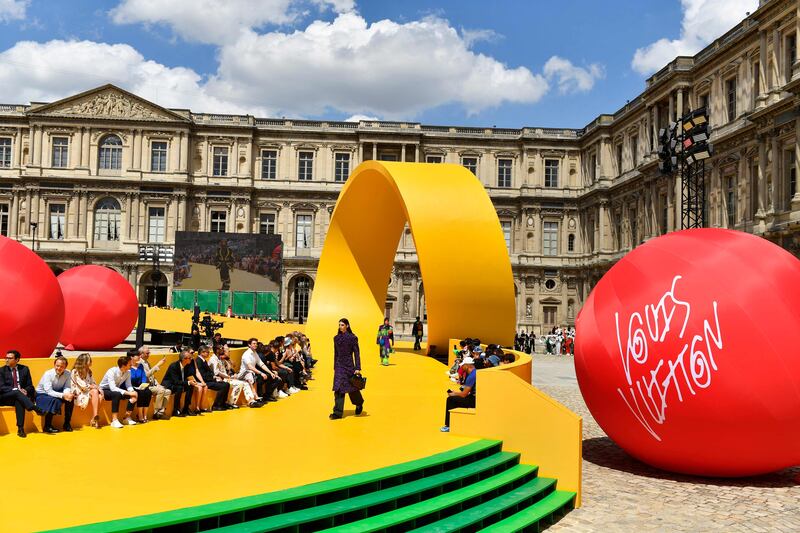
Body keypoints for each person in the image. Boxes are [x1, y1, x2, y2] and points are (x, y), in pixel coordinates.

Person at [0, 350, 44, 438]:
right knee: (17, 393)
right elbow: (1, 387)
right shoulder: (1, 370)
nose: (7, 360)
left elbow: (30, 386)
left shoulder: (24, 369)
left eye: (10, 358)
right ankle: (35, 408)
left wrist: (25, 390)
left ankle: (20, 428)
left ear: (17, 360)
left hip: (19, 397)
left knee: (19, 401)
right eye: (6, 358)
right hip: (5, 397)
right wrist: (17, 390)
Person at [331, 318, 364, 419]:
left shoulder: (352, 338)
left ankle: (359, 403)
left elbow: (357, 354)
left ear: (347, 326)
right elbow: (336, 353)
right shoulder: (336, 338)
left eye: (342, 325)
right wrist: (335, 366)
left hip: (349, 366)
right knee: (338, 388)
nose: (340, 327)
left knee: (352, 388)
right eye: (339, 325)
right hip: (339, 366)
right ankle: (337, 412)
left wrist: (357, 367)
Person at [35, 356, 75, 433]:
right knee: (54, 400)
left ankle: (67, 423)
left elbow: (67, 386)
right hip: (42, 393)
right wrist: (63, 395)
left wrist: (67, 394)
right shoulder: (48, 374)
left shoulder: (68, 373)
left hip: (57, 391)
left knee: (70, 398)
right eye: (57, 366)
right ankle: (47, 426)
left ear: (65, 367)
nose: (59, 368)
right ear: (54, 365)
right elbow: (49, 391)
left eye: (62, 366)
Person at [99, 355, 139, 428]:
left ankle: (126, 417)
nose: (131, 365)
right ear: (124, 365)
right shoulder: (111, 371)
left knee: (134, 394)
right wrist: (129, 393)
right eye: (130, 364)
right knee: (116, 394)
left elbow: (129, 385)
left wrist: (132, 392)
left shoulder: (128, 372)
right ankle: (114, 420)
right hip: (104, 390)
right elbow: (113, 388)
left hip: (116, 390)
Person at [441, 356, 476, 432]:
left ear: (467, 365)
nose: (461, 367)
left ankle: (449, 425)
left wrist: (453, 394)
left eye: (463, 366)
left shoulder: (471, 376)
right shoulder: (475, 372)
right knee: (456, 399)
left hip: (475, 400)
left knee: (451, 399)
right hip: (476, 397)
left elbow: (464, 394)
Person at [238, 338, 279, 402]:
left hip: (253, 373)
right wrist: (261, 373)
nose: (255, 345)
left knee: (274, 378)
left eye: (256, 344)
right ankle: (259, 397)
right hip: (245, 374)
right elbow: (250, 367)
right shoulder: (246, 354)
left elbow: (261, 364)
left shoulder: (255, 353)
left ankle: (267, 396)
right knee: (259, 378)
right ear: (249, 345)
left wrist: (270, 373)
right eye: (254, 343)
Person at [71, 353, 103, 428]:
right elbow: (81, 385)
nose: (91, 361)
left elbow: (93, 382)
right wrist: (94, 387)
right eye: (89, 360)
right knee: (95, 391)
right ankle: (95, 418)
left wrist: (98, 388)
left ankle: (94, 418)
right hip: (79, 391)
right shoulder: (75, 371)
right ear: (84, 361)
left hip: (88, 390)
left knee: (100, 395)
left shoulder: (89, 371)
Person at [139, 346, 171, 420]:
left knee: (168, 391)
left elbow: (152, 376)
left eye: (149, 353)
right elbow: (146, 375)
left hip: (152, 385)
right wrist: (158, 365)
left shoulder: (147, 362)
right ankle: (156, 412)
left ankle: (161, 412)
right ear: (141, 354)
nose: (148, 354)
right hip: (146, 385)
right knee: (161, 391)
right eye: (147, 353)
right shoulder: (140, 363)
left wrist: (158, 384)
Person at [195, 344, 231, 411]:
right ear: (202, 352)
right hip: (205, 382)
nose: (208, 353)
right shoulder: (198, 361)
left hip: (209, 380)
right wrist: (214, 378)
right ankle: (216, 405)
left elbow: (210, 372)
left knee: (226, 384)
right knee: (223, 386)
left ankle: (223, 403)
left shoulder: (203, 360)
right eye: (207, 352)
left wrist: (214, 377)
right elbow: (203, 375)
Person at [161, 349, 196, 417]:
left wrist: (193, 382)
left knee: (191, 386)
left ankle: (186, 408)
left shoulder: (187, 365)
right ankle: (176, 410)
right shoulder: (173, 366)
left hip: (179, 383)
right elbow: (175, 381)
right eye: (189, 358)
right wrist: (188, 382)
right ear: (184, 359)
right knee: (179, 388)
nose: (191, 359)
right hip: (170, 384)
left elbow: (190, 375)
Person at [128, 350, 154, 423]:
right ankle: (140, 415)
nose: (140, 357)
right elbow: (129, 379)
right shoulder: (128, 367)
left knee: (148, 392)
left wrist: (143, 384)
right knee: (141, 393)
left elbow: (143, 377)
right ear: (131, 357)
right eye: (137, 355)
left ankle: (145, 414)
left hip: (140, 386)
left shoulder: (140, 366)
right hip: (131, 386)